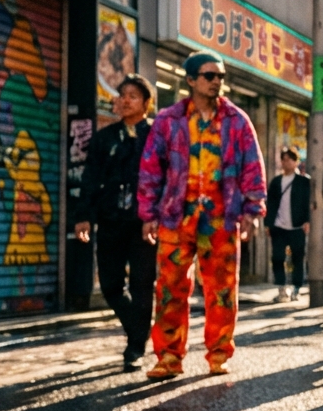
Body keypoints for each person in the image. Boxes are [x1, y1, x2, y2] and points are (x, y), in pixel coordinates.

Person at [138, 51, 266, 379]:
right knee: (169, 288)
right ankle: (168, 357)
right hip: (175, 217)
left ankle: (219, 354)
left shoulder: (237, 120)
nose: (216, 82)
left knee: (222, 288)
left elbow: (252, 165)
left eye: (220, 77)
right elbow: (152, 167)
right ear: (191, 81)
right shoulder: (169, 120)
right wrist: (148, 212)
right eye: (209, 76)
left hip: (222, 218)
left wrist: (253, 209)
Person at [74, 75, 156, 372]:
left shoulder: (155, 136)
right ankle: (139, 329)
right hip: (111, 220)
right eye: (121, 95)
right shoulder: (104, 138)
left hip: (144, 222)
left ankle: (135, 347)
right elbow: (90, 178)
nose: (124, 100)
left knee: (143, 283)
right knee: (110, 285)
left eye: (132, 96)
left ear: (147, 103)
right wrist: (83, 216)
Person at [266, 147, 310, 302]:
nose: (286, 163)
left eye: (289, 159)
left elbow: (308, 204)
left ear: (295, 161)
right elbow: (270, 203)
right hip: (278, 226)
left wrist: (308, 221)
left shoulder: (304, 182)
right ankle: (281, 289)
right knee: (277, 257)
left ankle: (296, 289)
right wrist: (268, 224)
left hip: (297, 226)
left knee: (298, 258)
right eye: (283, 159)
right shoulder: (276, 182)